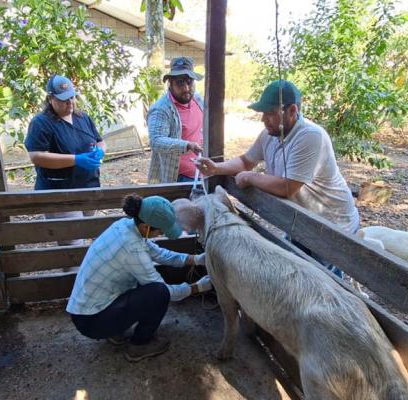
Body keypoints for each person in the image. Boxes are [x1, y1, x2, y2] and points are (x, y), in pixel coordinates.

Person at [195, 80, 359, 277]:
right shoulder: (269, 134)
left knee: (325, 281)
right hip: (302, 220)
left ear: (292, 110)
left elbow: (287, 187)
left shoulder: (310, 136)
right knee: (299, 273)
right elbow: (246, 161)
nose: (264, 119)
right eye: (263, 113)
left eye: (270, 112)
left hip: (332, 223)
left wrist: (251, 177)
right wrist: (216, 169)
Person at [67, 194, 212, 362]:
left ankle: (114, 330)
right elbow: (165, 292)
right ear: (146, 227)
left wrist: (194, 259)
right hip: (92, 321)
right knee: (158, 293)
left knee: (145, 283)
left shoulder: (125, 226)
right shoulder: (132, 248)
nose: (160, 234)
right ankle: (139, 345)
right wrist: (198, 287)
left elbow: (158, 253)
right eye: (160, 231)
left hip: (88, 309)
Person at [24, 75, 106, 245]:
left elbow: (100, 140)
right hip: (60, 191)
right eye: (63, 100)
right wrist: (76, 160)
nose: (69, 103)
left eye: (71, 97)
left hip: (89, 186)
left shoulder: (82, 117)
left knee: (88, 236)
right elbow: (37, 156)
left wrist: (100, 151)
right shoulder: (41, 122)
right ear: (50, 99)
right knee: (72, 244)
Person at [147, 56, 205, 184]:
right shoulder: (161, 109)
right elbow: (156, 141)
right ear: (170, 84)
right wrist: (187, 145)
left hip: (203, 173)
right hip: (178, 178)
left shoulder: (198, 100)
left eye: (189, 82)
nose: (186, 88)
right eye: (180, 83)